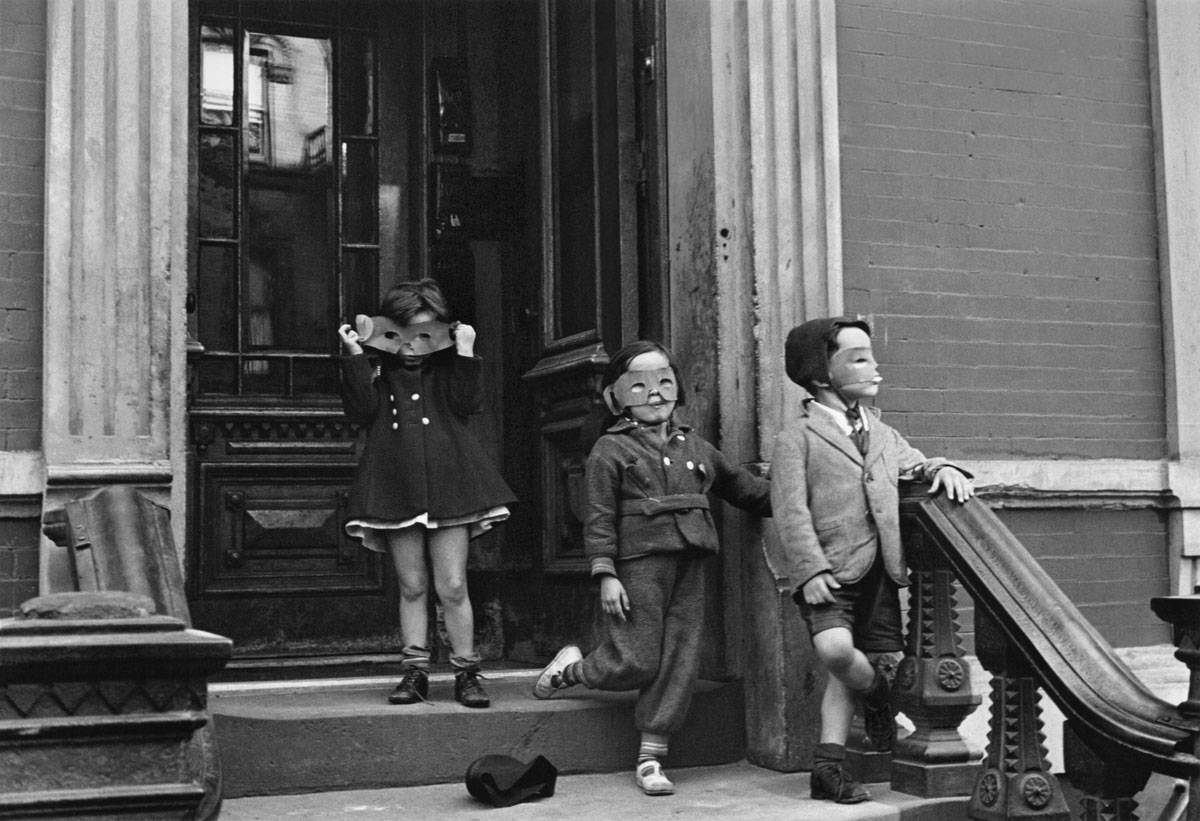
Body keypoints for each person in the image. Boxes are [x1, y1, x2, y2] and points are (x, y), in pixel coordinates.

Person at [532, 340, 772, 796]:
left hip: (691, 561)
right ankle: (575, 670)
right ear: (617, 398)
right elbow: (598, 517)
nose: (655, 393)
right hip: (639, 565)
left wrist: (799, 497)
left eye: (664, 381)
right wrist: (606, 574)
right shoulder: (609, 450)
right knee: (638, 658)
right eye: (639, 385)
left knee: (679, 658)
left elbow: (744, 489)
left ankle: (651, 757)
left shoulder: (696, 446)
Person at [763, 317, 974, 803]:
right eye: (859, 358)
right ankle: (879, 699)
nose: (874, 367)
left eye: (871, 355)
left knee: (848, 668)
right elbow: (790, 510)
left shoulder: (880, 431)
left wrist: (941, 468)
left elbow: (912, 463)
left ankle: (828, 769)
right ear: (821, 374)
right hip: (829, 571)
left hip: (879, 568)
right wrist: (810, 570)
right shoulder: (796, 437)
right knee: (837, 652)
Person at [338, 278, 516, 709]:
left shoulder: (449, 366)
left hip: (450, 483)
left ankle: (466, 672)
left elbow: (467, 404)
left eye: (424, 333)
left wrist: (466, 350)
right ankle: (414, 672)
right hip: (395, 483)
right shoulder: (379, 370)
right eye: (401, 334)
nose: (411, 347)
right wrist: (356, 355)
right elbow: (361, 410)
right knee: (413, 584)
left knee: (453, 584)